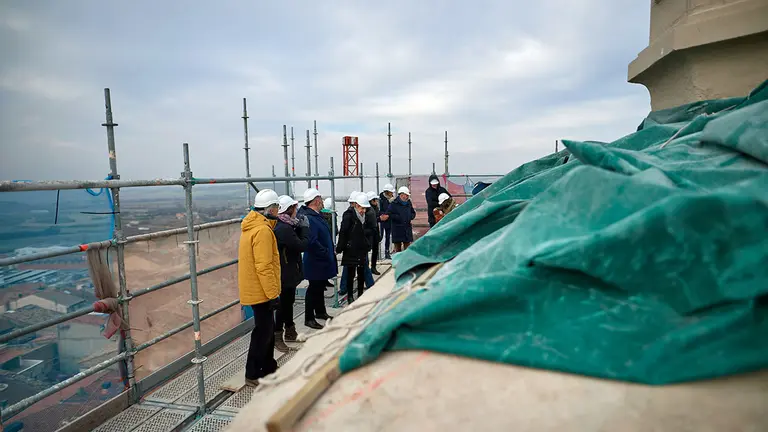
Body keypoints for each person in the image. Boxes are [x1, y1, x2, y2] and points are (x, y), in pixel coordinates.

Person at [238, 189, 281, 387]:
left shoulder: (253, 226)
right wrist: (273, 294)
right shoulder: (263, 230)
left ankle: (268, 366)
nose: (278, 212)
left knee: (267, 329)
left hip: (257, 288)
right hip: (261, 291)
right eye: (277, 208)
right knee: (262, 332)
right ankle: (253, 373)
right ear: (270, 209)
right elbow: (264, 266)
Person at [272, 195, 309, 352]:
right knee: (283, 304)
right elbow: (301, 245)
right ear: (290, 209)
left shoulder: (287, 226)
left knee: (288, 301)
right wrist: (305, 229)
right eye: (295, 208)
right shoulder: (284, 228)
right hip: (285, 271)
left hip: (288, 270)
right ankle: (278, 336)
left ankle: (290, 331)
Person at [297, 188, 337, 330]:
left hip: (321, 259)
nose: (322, 202)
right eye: (320, 199)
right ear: (316, 201)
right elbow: (312, 241)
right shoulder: (310, 218)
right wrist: (325, 252)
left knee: (319, 287)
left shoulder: (314, 215)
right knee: (313, 289)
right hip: (316, 260)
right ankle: (309, 318)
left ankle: (320, 312)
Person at [336, 192, 371, 304]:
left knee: (361, 273)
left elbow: (369, 231)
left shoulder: (366, 216)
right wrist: (340, 248)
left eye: (365, 208)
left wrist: (367, 244)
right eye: (361, 208)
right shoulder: (348, 215)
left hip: (361, 248)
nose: (363, 211)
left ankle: (360, 294)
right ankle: (350, 296)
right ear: (356, 205)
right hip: (350, 248)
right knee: (350, 274)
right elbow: (343, 232)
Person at [387, 186, 416, 252]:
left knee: (407, 250)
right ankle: (398, 262)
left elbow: (413, 212)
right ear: (402, 195)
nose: (407, 197)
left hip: (407, 229)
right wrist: (398, 218)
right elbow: (389, 214)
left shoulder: (408, 203)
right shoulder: (394, 204)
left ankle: (406, 261)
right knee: (398, 249)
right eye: (406, 195)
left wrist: (410, 217)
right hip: (397, 230)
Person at [320, 197, 337, 288]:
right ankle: (324, 281)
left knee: (326, 262)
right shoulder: (329, 216)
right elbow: (333, 228)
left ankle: (324, 281)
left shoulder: (322, 215)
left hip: (327, 240)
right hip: (328, 240)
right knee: (327, 261)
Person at [366, 191, 382, 275]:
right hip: (369, 233)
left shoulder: (376, 208)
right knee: (367, 250)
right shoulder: (367, 209)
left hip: (375, 231)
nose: (376, 202)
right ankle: (368, 267)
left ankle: (373, 266)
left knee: (375, 250)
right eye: (374, 200)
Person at [378, 184, 395, 259]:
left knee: (388, 237)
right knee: (380, 236)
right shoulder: (380, 199)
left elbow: (393, 210)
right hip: (381, 221)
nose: (392, 194)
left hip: (389, 221)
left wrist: (388, 215)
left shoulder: (392, 200)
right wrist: (383, 215)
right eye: (391, 192)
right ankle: (378, 253)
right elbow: (379, 210)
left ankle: (387, 252)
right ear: (387, 192)